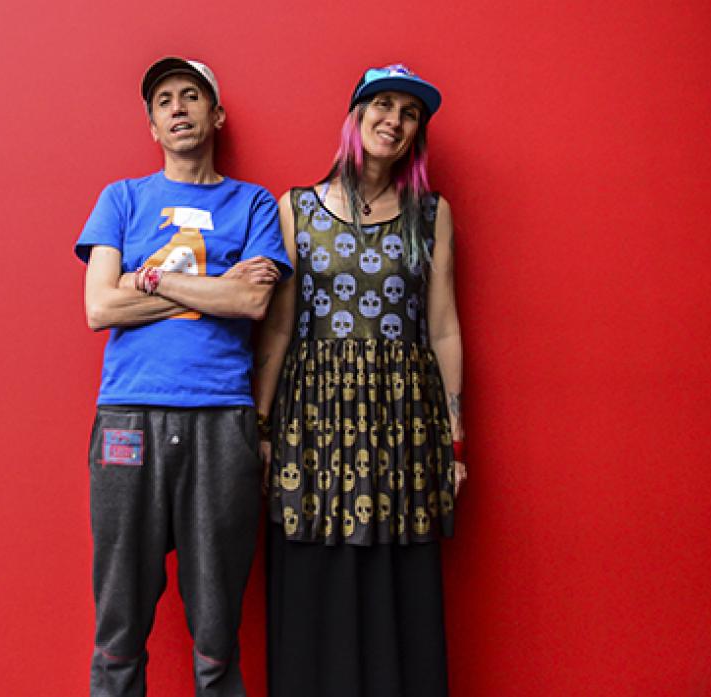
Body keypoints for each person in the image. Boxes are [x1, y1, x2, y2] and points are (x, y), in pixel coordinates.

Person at [75, 56, 291, 697]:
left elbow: (253, 302)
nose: (177, 107)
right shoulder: (121, 199)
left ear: (215, 114)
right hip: (129, 417)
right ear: (152, 126)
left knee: (217, 631)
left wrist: (147, 280)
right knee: (118, 624)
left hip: (221, 420)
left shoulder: (253, 204)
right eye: (164, 100)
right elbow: (99, 307)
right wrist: (212, 288)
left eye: (191, 95)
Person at [253, 64, 466, 697]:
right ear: (355, 116)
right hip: (313, 416)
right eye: (382, 104)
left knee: (396, 569)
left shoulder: (431, 214)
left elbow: (443, 328)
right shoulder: (296, 207)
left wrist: (455, 438)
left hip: (403, 418)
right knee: (313, 560)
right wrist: (261, 428)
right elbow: (278, 328)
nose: (394, 120)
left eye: (409, 112)